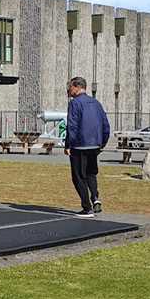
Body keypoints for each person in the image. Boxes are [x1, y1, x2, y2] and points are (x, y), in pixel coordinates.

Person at [64, 76, 110, 218]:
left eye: (69, 87)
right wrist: (102, 143)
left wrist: (68, 144)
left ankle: (87, 208)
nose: (68, 90)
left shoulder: (75, 103)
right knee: (91, 173)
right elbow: (105, 125)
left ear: (77, 87)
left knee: (78, 176)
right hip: (94, 145)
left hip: (79, 145)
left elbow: (72, 125)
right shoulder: (96, 103)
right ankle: (96, 198)